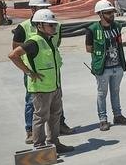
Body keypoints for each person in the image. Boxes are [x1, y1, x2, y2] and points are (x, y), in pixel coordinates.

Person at [8, 8, 76, 153]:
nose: (54, 27)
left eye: (54, 24)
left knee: (55, 116)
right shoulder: (34, 42)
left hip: (54, 86)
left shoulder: (49, 41)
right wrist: (28, 72)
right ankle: (39, 147)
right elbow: (13, 55)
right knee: (40, 117)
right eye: (50, 25)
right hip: (41, 89)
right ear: (40, 26)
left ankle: (54, 143)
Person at [85, 0, 126, 131]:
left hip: (117, 66)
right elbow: (89, 48)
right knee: (102, 94)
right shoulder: (92, 29)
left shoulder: (117, 26)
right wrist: (101, 54)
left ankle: (118, 115)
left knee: (115, 92)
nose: (111, 15)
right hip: (103, 68)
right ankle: (103, 120)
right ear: (100, 14)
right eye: (108, 13)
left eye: (112, 12)